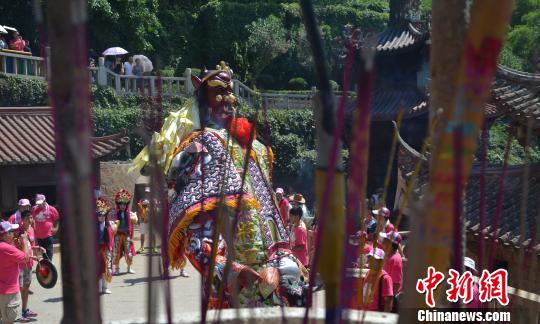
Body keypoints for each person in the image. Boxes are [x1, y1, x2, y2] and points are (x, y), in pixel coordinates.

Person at [0, 221, 30, 324]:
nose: (14, 233)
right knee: (10, 321)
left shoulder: (4, 247)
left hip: (3, 290)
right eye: (11, 231)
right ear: (4, 235)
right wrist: (25, 241)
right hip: (9, 293)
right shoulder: (5, 248)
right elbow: (25, 258)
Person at [17, 211, 44, 319]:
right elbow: (18, 249)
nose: (30, 219)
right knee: (18, 289)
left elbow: (30, 246)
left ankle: (24, 310)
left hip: (29, 264)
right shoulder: (18, 231)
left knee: (26, 287)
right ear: (22, 219)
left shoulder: (32, 230)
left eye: (32, 217)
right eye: (28, 217)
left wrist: (38, 248)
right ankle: (16, 312)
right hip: (19, 265)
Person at [112, 189, 137, 275]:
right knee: (116, 251)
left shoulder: (129, 213)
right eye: (121, 204)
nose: (122, 206)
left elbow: (134, 222)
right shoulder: (115, 213)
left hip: (126, 235)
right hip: (118, 235)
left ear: (126, 205)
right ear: (118, 205)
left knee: (129, 251)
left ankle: (129, 267)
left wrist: (134, 218)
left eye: (124, 204)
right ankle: (117, 268)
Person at [362, 248, 393, 312]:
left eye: (374, 260)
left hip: (376, 315)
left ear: (381, 262)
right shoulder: (368, 273)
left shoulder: (385, 278)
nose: (371, 261)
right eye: (370, 258)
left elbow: (389, 302)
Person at [31, 194, 59, 261]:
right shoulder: (33, 209)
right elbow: (31, 219)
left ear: (44, 201)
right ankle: (47, 268)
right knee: (43, 254)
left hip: (48, 236)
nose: (39, 205)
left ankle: (50, 268)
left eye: (40, 203)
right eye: (38, 203)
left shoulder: (51, 209)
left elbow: (57, 219)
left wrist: (56, 228)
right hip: (38, 237)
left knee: (49, 255)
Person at [380, 231, 403, 312]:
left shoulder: (395, 259)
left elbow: (396, 284)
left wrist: (388, 303)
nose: (382, 241)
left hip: (387, 301)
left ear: (390, 244)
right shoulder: (387, 256)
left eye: (385, 239)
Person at [96, 197, 113, 294]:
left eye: (103, 215)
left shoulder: (108, 225)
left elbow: (111, 238)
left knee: (106, 268)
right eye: (99, 215)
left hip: (105, 248)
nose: (101, 217)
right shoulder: (93, 226)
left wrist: (110, 247)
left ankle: (105, 287)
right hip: (96, 249)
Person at [137, 190, 157, 254]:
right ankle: (142, 247)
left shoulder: (154, 200)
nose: (147, 194)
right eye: (146, 192)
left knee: (153, 234)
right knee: (142, 234)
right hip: (143, 220)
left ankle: (154, 247)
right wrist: (138, 218)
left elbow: (155, 210)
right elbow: (139, 210)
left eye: (148, 192)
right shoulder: (141, 201)